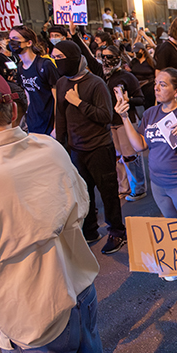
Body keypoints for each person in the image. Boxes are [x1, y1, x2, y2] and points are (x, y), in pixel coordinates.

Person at [0, 69, 143, 353]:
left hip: (33, 313)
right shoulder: (47, 148)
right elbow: (83, 206)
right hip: (79, 288)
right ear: (11, 109)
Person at [52, 40, 127, 255]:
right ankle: (91, 229)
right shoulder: (62, 82)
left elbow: (105, 116)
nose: (57, 63)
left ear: (73, 58)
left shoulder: (95, 83)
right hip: (77, 149)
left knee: (108, 192)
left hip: (99, 147)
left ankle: (117, 232)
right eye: (54, 58)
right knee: (84, 193)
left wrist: (78, 102)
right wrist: (61, 146)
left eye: (60, 58)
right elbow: (61, 117)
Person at [115, 67, 177, 219]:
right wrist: (124, 117)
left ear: (176, 91)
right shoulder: (150, 113)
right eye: (156, 84)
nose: (156, 88)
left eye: (163, 85)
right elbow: (139, 145)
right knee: (173, 229)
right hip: (158, 185)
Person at [102, 44, 147, 202]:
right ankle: (123, 187)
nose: (106, 60)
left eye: (109, 57)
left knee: (130, 156)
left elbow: (141, 98)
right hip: (110, 122)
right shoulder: (102, 77)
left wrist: (129, 101)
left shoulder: (127, 77)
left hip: (125, 121)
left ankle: (138, 188)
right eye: (103, 57)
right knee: (117, 157)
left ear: (117, 58)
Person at [10, 26, 58, 135]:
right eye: (10, 38)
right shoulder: (20, 67)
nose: (12, 42)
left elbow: (57, 97)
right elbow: (27, 94)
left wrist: (56, 125)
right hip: (33, 122)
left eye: (15, 38)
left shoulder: (45, 65)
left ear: (29, 43)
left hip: (48, 122)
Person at [130, 42, 156, 109]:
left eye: (137, 51)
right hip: (138, 88)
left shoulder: (150, 62)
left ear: (142, 50)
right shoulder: (134, 62)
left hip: (149, 88)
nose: (136, 53)